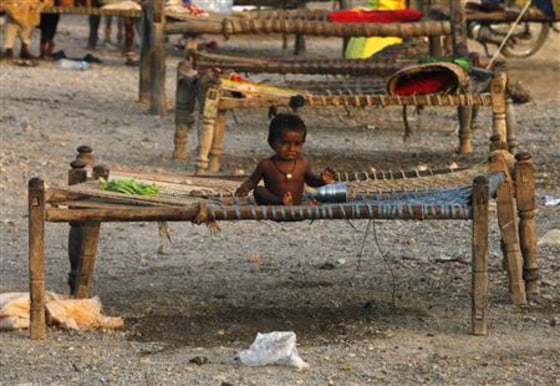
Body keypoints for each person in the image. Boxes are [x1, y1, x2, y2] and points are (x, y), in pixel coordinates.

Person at [235, 113, 335, 206]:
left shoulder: (303, 163)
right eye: (285, 143)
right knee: (258, 191)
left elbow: (311, 181)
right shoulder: (266, 164)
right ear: (272, 143)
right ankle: (281, 201)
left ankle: (286, 202)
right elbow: (252, 181)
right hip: (273, 202)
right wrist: (244, 189)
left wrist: (322, 180)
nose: (291, 149)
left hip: (295, 203)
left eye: (297, 144)